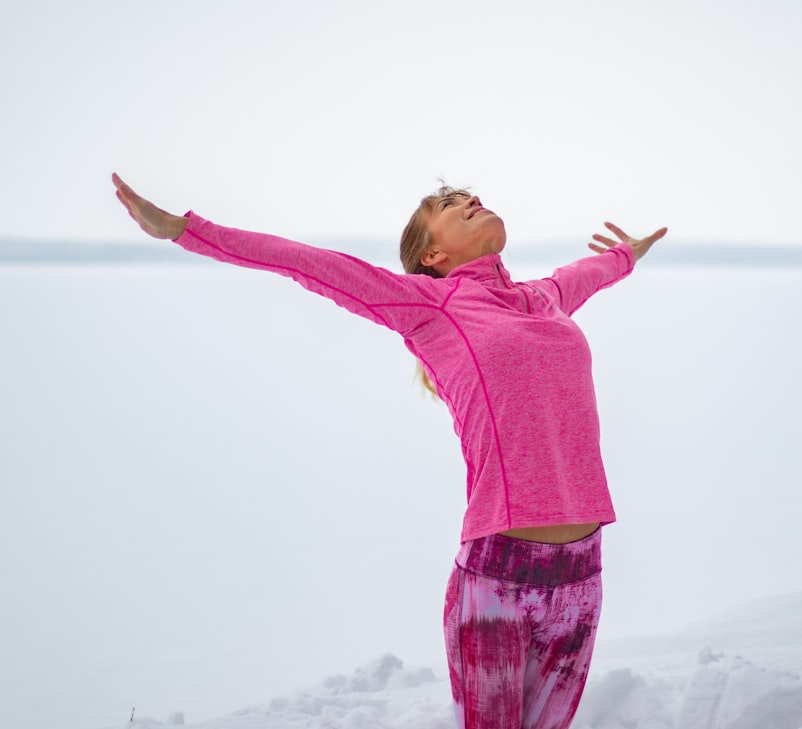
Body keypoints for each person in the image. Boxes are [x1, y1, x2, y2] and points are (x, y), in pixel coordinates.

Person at [111, 172, 667, 729]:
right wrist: (186, 230)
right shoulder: (430, 304)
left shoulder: (544, 298)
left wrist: (627, 253)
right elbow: (307, 263)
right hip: (497, 578)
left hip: (582, 575)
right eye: (451, 204)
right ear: (433, 252)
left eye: (472, 195)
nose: (473, 200)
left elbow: (588, 272)